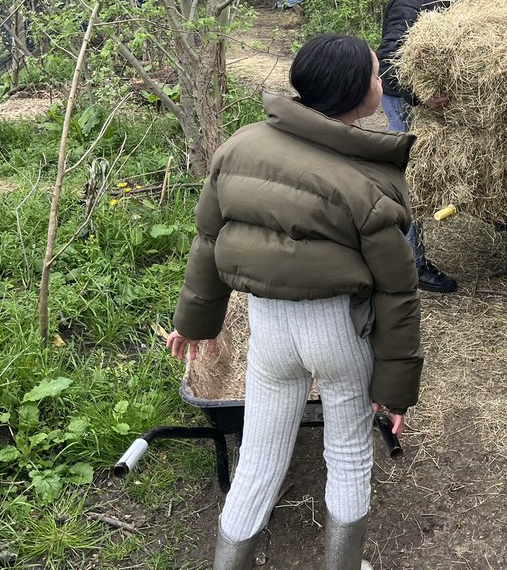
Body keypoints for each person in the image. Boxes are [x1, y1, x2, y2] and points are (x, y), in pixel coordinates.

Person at [167, 34, 422, 570]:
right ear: (360, 95)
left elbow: (208, 240)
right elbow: (397, 291)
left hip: (269, 330)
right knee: (349, 454)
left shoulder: (239, 147)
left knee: (258, 458)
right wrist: (395, 392)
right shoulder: (366, 179)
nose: (382, 83)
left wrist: (195, 323)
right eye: (377, 75)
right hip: (337, 331)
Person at [377, 0, 507, 293]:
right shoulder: (410, 1)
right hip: (405, 102)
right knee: (410, 179)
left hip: (428, 101)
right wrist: (420, 98)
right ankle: (413, 265)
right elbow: (387, 66)